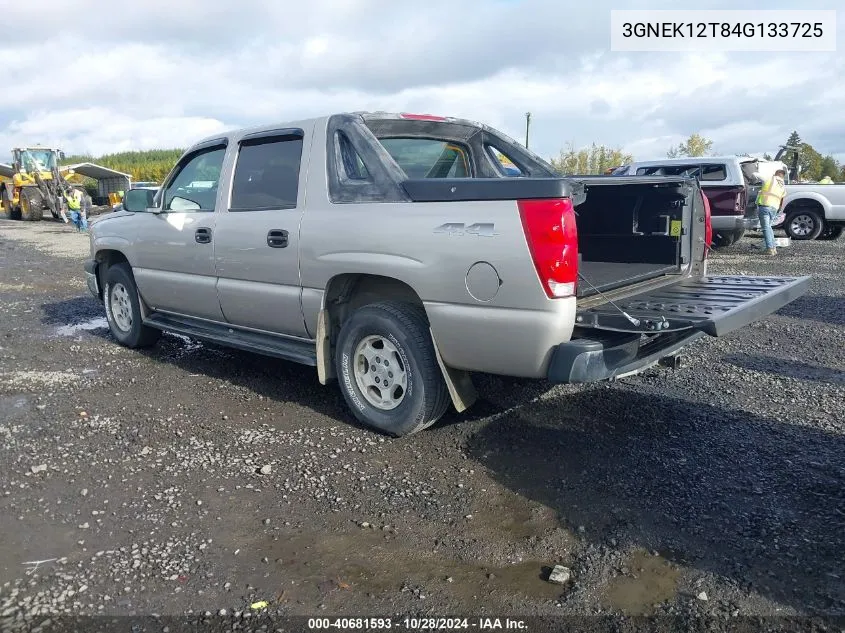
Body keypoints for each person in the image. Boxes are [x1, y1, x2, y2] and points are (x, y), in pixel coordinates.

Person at [756, 168, 786, 256]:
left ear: (775, 173)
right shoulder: (782, 185)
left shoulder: (770, 179)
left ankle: (769, 248)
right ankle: (773, 248)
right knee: (769, 227)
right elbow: (782, 199)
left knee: (765, 228)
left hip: (765, 206)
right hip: (774, 208)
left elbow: (755, 174)